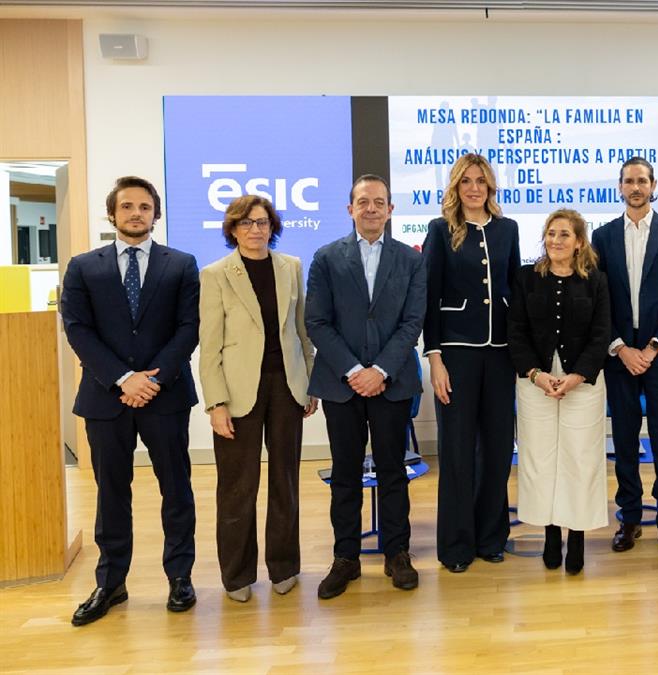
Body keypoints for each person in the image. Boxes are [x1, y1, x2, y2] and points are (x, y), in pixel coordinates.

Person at [61, 176, 200, 626]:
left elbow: (188, 327)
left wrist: (150, 380)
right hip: (106, 398)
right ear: (112, 214)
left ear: (155, 214)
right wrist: (123, 378)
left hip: (165, 396)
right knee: (111, 494)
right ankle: (110, 582)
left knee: (176, 490)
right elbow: (77, 328)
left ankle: (180, 576)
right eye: (127, 206)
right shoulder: (84, 266)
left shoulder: (181, 264)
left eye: (144, 206)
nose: (136, 213)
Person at [306, 174, 427, 598]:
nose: (372, 208)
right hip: (342, 385)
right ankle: (345, 558)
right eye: (363, 202)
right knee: (346, 474)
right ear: (350, 209)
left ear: (391, 210)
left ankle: (398, 553)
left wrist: (381, 371)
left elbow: (412, 322)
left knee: (394, 471)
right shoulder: (326, 258)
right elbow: (316, 322)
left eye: (379, 202)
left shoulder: (411, 260)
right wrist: (356, 370)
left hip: (392, 384)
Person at [198, 195, 317, 603]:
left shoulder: (291, 268)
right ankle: (237, 576)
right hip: (236, 393)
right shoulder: (215, 274)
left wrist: (309, 384)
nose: (256, 229)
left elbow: (302, 333)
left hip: (286, 387)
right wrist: (216, 403)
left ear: (273, 226)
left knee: (285, 481)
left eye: (263, 222)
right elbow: (209, 346)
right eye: (246, 223)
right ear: (232, 229)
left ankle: (284, 566)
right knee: (237, 487)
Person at [592, 157, 658, 560]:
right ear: (620, 187)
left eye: (642, 181)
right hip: (619, 357)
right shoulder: (601, 237)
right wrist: (620, 347)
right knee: (623, 441)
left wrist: (652, 348)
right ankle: (630, 517)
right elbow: (599, 300)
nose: (635, 187)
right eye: (628, 181)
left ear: (654, 185)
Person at [422, 153, 521, 573]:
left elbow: (515, 292)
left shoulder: (507, 230)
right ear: (456, 188)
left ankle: (491, 536)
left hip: (500, 354)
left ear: (491, 186)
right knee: (458, 451)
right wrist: (436, 359)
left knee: (498, 450)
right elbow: (428, 298)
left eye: (481, 181)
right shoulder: (440, 231)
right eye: (467, 182)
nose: (475, 188)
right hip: (457, 355)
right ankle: (457, 545)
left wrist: (525, 356)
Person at [508, 209, 611, 575]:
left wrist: (577, 375)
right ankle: (551, 534)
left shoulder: (596, 281)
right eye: (551, 233)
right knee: (540, 459)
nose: (556, 240)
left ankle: (577, 536)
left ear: (579, 242)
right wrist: (535, 374)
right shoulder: (526, 278)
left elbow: (602, 334)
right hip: (535, 380)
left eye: (564, 234)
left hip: (581, 383)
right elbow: (515, 331)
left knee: (580, 460)